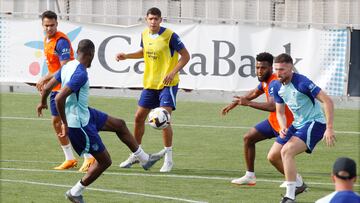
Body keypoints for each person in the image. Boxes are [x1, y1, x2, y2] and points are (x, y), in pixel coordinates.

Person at [37, 39, 162, 203]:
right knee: (105, 161)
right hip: (79, 124)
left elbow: (47, 88)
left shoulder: (68, 66)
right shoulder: (80, 73)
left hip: (86, 113)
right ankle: (75, 192)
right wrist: (65, 124)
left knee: (120, 124)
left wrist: (42, 102)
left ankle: (144, 159)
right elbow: (60, 97)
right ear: (91, 54)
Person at [115, 7, 190, 172]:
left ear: (161, 20)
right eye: (151, 19)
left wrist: (172, 72)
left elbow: (186, 56)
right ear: (146, 20)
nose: (153, 22)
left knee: (164, 119)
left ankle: (168, 159)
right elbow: (143, 52)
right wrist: (127, 56)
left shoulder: (170, 35)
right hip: (150, 83)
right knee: (138, 117)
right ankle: (137, 153)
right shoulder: (144, 35)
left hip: (167, 85)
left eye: (156, 19)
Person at [270, 53, 336, 203]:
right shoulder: (276, 85)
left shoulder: (303, 82)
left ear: (291, 68)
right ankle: (298, 183)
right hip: (296, 124)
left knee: (286, 151)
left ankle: (290, 196)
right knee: (273, 156)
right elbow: (280, 112)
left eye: (282, 70)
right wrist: (282, 127)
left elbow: (328, 101)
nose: (278, 73)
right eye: (276, 69)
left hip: (315, 123)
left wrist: (329, 127)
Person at [222, 52, 295, 186]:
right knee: (248, 138)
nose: (259, 71)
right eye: (257, 67)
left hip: (287, 125)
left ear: (271, 68)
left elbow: (273, 106)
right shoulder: (265, 82)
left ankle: (296, 180)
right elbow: (254, 92)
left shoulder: (274, 83)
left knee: (276, 157)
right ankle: (250, 176)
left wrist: (248, 103)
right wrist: (236, 102)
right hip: (273, 122)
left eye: (263, 68)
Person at [37, 10, 95, 172]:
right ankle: (70, 158)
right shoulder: (47, 39)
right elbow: (54, 67)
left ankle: (89, 157)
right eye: (46, 25)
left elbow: (64, 68)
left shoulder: (61, 42)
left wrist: (45, 78)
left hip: (65, 89)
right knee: (57, 123)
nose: (49, 28)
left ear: (57, 24)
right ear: (42, 25)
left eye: (52, 25)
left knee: (74, 123)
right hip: (55, 88)